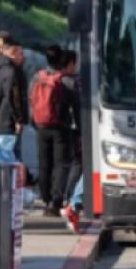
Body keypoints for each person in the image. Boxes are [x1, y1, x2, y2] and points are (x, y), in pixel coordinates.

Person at [32, 45, 79, 216]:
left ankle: (45, 199)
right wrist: (80, 131)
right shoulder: (67, 80)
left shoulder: (39, 77)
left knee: (44, 164)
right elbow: (77, 107)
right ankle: (56, 201)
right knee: (61, 164)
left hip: (41, 126)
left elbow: (33, 101)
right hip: (61, 127)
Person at [0, 37, 28, 161]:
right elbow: (13, 97)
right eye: (20, 53)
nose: (23, 57)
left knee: (1, 158)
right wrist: (19, 119)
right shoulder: (11, 71)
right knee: (7, 162)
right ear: (12, 53)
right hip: (8, 122)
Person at [60, 49, 82, 205]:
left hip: (57, 127)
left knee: (62, 163)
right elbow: (78, 108)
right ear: (71, 64)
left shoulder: (51, 78)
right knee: (79, 162)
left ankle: (58, 197)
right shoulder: (74, 82)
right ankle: (70, 196)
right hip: (74, 129)